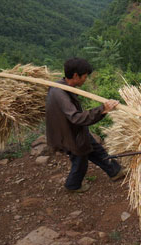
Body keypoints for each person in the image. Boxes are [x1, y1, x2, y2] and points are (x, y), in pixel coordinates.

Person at [45, 58, 125, 192]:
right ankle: (73, 185)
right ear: (76, 75)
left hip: (77, 131)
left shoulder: (62, 86)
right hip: (69, 134)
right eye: (85, 77)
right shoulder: (59, 93)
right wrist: (102, 109)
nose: (85, 80)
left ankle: (115, 171)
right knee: (80, 158)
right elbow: (76, 117)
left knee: (96, 149)